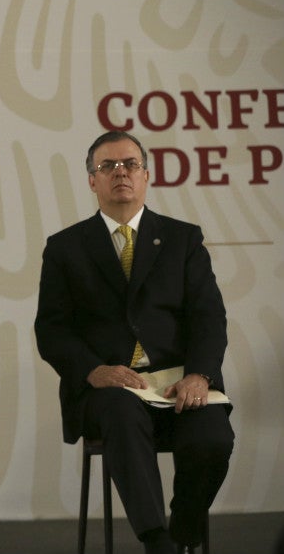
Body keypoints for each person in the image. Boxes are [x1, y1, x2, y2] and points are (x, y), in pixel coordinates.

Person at [34, 130, 233, 554]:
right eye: (107, 166)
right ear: (92, 181)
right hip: (110, 389)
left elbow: (208, 316)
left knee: (213, 436)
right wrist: (93, 370)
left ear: (146, 176)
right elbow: (52, 330)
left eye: (129, 164)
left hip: (180, 383)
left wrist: (200, 375)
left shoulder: (183, 240)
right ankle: (156, 540)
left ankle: (183, 527)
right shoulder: (64, 248)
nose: (119, 172)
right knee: (123, 412)